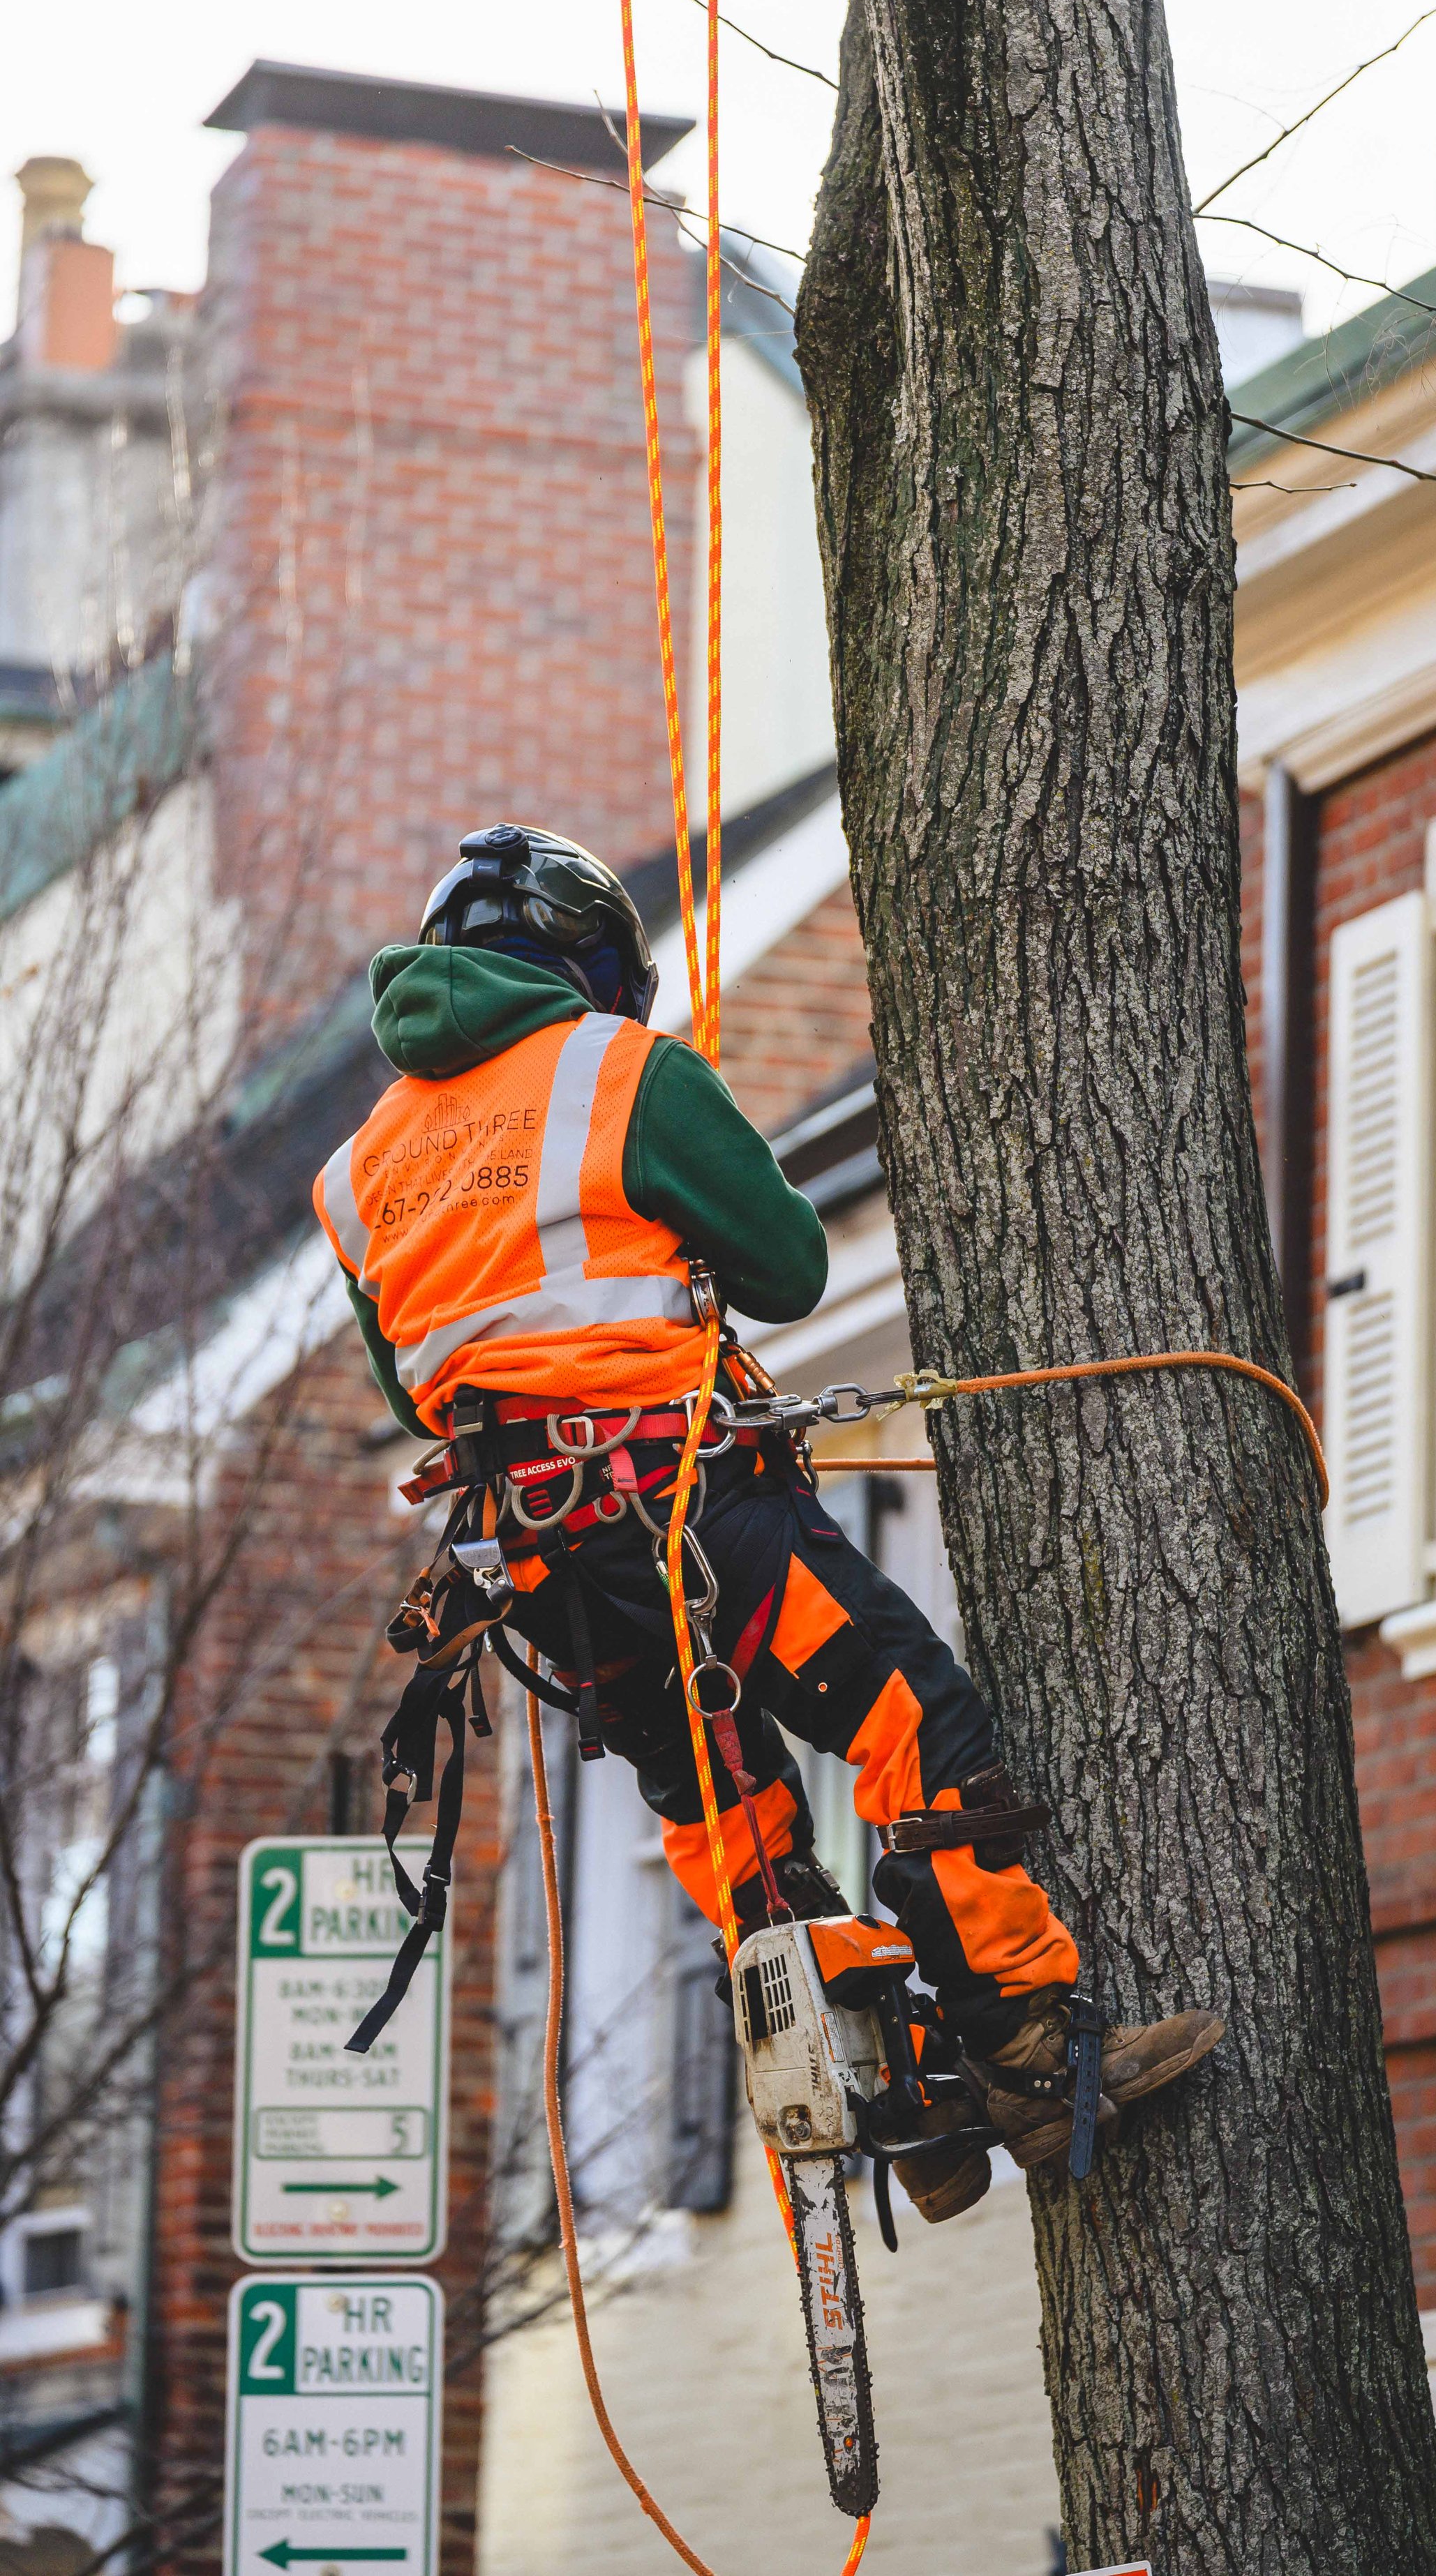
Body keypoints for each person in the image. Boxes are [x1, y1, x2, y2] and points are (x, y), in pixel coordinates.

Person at [314, 823, 1222, 2220]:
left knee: (731, 1819)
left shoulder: (355, 1171)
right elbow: (790, 1267)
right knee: (910, 1720)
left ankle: (890, 2095)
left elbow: (418, 1384)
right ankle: (1028, 2050)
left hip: (544, 1564)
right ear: (588, 962)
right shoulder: (621, 1072)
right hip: (684, 1507)